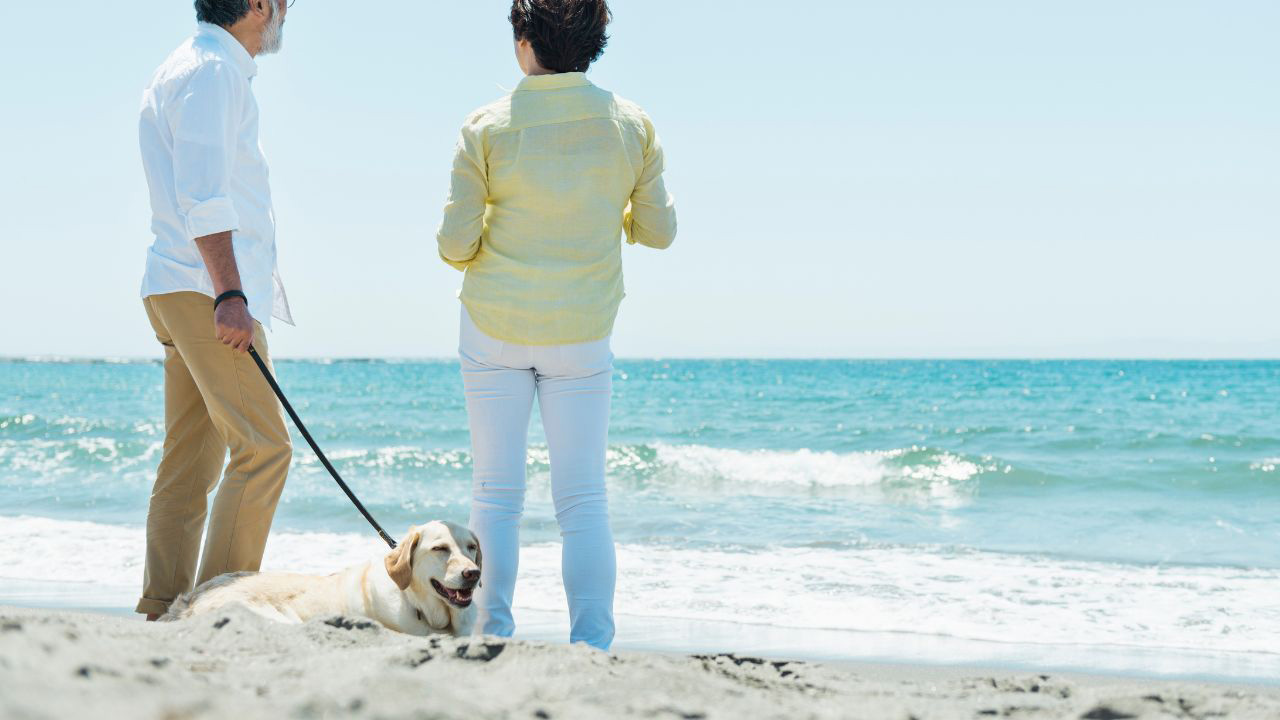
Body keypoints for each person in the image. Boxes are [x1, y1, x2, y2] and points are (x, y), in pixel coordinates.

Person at [437, 0, 678, 650]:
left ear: (523, 41)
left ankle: (491, 631)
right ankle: (592, 644)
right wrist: (608, 219)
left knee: (495, 490)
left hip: (494, 327)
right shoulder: (631, 126)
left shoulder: (485, 127)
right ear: (595, 44)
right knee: (583, 499)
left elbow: (454, 246)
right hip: (581, 331)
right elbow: (659, 231)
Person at [134, 0, 295, 621]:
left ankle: (160, 610)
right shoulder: (212, 72)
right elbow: (203, 196)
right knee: (263, 450)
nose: (288, 9)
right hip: (206, 292)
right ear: (257, 6)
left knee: (192, 459)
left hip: (180, 285)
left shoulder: (194, 65)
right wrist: (230, 294)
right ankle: (218, 612)